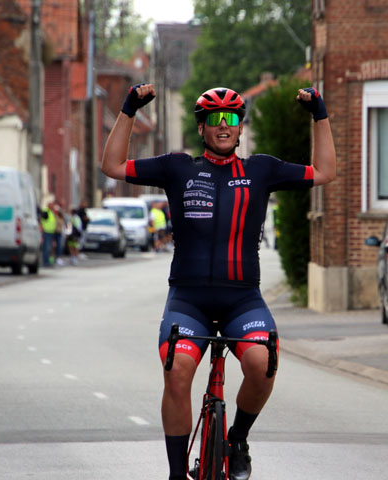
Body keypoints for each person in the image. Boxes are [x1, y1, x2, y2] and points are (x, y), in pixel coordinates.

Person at [101, 83, 335, 480]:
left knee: (263, 364)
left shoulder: (262, 169)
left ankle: (237, 438)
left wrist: (319, 115)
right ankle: (177, 474)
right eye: (214, 119)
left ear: (240, 128)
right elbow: (112, 166)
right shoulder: (178, 168)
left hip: (242, 300)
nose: (223, 126)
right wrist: (128, 109)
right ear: (201, 128)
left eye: (231, 119)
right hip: (188, 300)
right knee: (177, 371)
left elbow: (326, 172)